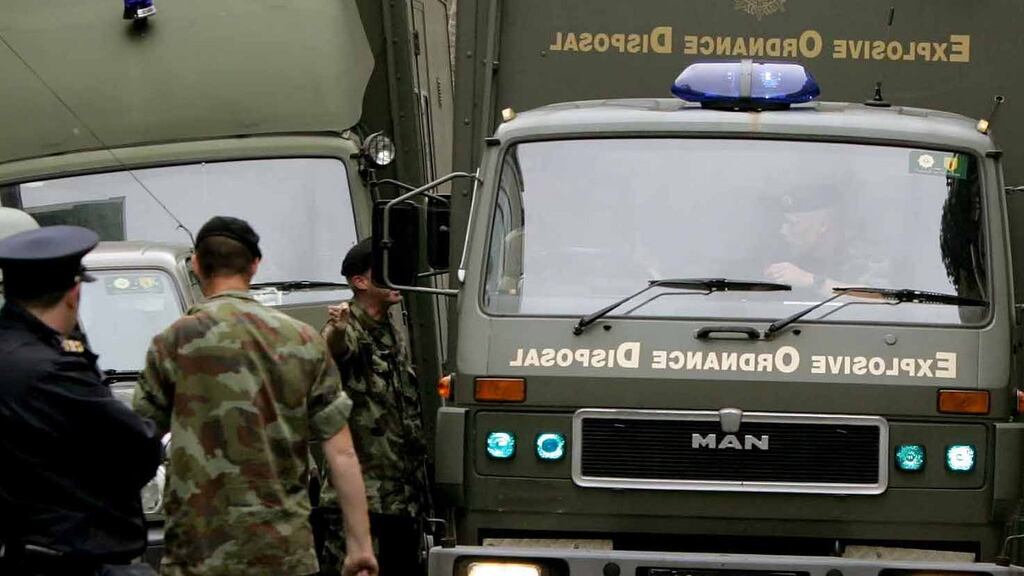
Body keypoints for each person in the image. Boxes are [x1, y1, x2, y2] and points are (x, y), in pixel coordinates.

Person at [132, 216, 378, 576]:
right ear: (255, 265)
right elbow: (341, 452)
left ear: (196, 265)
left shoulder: (172, 342)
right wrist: (360, 548)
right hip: (284, 554)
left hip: (197, 556)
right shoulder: (302, 341)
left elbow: (137, 441)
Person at [0, 225, 163, 576]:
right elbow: (139, 447)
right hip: (67, 560)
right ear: (74, 293)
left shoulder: (17, 354)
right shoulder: (52, 369)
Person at [319, 238, 430, 576]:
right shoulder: (348, 325)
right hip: (361, 500)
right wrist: (337, 329)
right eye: (385, 271)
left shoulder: (391, 331)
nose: (397, 278)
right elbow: (334, 348)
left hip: (402, 498)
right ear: (360, 282)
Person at [763, 188, 890, 296]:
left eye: (792, 223)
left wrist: (813, 281)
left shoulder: (864, 255)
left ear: (822, 225)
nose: (783, 230)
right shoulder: (787, 254)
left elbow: (884, 297)